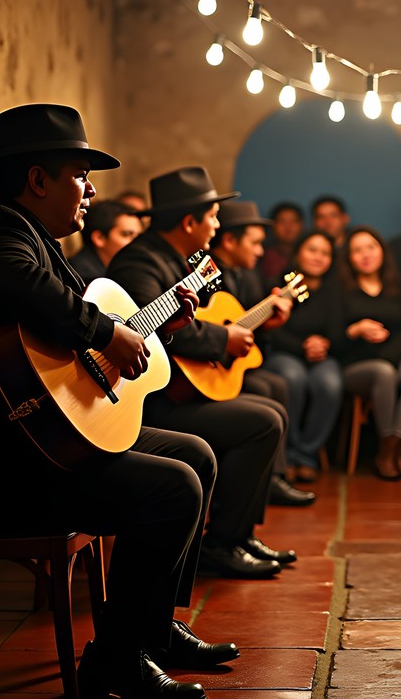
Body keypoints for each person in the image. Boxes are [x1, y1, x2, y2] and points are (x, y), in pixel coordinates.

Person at [0, 104, 236, 699]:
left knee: (195, 455)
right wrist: (104, 332)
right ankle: (115, 661)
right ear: (37, 180)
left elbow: (59, 335)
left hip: (25, 443)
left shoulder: (27, 234)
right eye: (80, 175)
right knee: (174, 487)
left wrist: (152, 326)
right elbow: (22, 286)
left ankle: (152, 631)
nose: (91, 190)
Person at [107, 166, 300, 580]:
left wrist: (240, 328)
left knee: (272, 410)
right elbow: (151, 330)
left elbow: (204, 315)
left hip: (183, 389)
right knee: (263, 422)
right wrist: (222, 339)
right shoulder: (140, 263)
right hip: (154, 401)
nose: (217, 224)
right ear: (188, 222)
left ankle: (240, 535)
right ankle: (221, 544)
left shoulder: (177, 259)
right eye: (212, 216)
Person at [210, 199, 316, 508]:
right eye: (255, 243)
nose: (260, 251)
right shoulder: (207, 275)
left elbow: (246, 327)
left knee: (277, 384)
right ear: (230, 242)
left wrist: (269, 322)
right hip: (207, 367)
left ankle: (273, 477)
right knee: (265, 388)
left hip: (230, 363)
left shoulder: (248, 275)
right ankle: (264, 481)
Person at [338, 225, 401, 480]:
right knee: (383, 372)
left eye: (371, 247)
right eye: (357, 250)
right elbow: (333, 338)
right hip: (354, 366)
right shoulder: (341, 289)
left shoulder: (397, 286)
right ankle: (385, 450)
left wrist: (388, 358)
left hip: (391, 359)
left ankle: (394, 449)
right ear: (349, 258)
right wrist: (355, 330)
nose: (365, 254)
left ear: (382, 251)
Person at [265, 229, 345, 482]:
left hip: (322, 356)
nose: (318, 257)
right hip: (285, 352)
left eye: (325, 253)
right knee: (293, 378)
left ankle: (307, 455)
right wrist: (302, 347)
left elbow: (338, 331)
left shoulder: (335, 289)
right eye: (312, 250)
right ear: (298, 253)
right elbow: (272, 330)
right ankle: (289, 455)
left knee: (330, 384)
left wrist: (324, 344)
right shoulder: (281, 284)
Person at [66, 198, 143, 283]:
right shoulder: (86, 279)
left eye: (139, 236)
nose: (137, 243)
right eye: (127, 234)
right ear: (99, 238)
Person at [259, 200, 305, 290]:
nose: (288, 227)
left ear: (301, 225)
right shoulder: (261, 255)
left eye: (293, 221)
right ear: (273, 226)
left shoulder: (307, 256)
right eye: (282, 221)